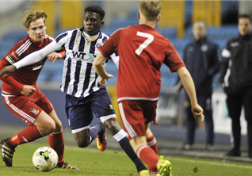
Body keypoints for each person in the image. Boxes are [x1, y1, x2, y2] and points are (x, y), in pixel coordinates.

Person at [0, 5, 149, 176]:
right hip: (73, 95)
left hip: (95, 91)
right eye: (87, 19)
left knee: (112, 124)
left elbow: (121, 63)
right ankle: (99, 128)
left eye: (93, 20)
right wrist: (15, 66)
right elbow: (40, 54)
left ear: (101, 22)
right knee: (81, 141)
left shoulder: (107, 42)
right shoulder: (69, 36)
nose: (89, 22)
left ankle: (140, 167)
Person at [93, 0, 204, 175]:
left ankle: (157, 164)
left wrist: (102, 75)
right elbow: (184, 74)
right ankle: (154, 173)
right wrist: (195, 103)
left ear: (138, 15)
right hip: (151, 97)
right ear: (158, 17)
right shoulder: (164, 42)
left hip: (128, 96)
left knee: (136, 141)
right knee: (145, 130)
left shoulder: (122, 33)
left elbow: (97, 61)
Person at [0, 10, 78, 169]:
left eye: (41, 27)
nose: (38, 31)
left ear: (46, 26)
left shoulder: (50, 42)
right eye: (34, 29)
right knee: (48, 126)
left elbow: (72, 52)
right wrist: (20, 88)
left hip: (32, 90)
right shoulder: (21, 48)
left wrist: (59, 55)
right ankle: (10, 143)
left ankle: (59, 163)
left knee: (57, 125)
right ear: (27, 31)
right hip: (14, 95)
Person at [176, 21, 220, 150]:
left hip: (204, 89)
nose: (198, 31)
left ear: (205, 30)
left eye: (200, 29)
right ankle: (189, 141)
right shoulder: (188, 47)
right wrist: (178, 83)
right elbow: (182, 67)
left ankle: (209, 143)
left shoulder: (212, 47)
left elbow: (218, 65)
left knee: (207, 114)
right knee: (189, 115)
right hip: (189, 90)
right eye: (196, 29)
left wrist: (208, 74)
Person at [219, 14, 252, 158]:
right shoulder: (230, 43)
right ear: (238, 26)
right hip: (233, 88)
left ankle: (251, 150)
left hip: (250, 88)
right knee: (234, 119)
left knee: (251, 120)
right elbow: (224, 65)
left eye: (246, 24)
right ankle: (236, 148)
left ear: (250, 25)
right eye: (241, 24)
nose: (243, 27)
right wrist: (223, 82)